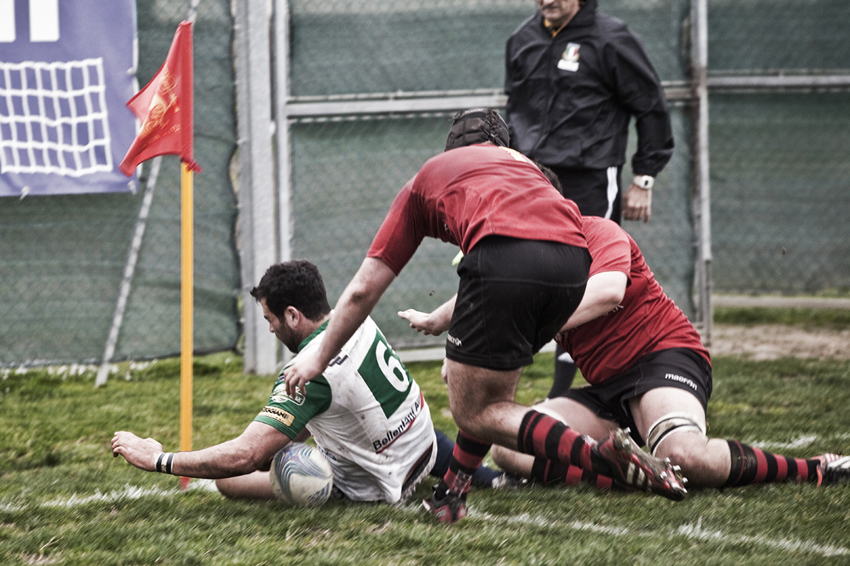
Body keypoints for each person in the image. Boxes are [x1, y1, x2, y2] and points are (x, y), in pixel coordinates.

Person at [282, 108, 687, 524]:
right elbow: (534, 243)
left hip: (507, 262)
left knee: (475, 409)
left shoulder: (431, 176)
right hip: (571, 263)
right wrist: (446, 322)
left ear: (452, 151)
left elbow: (363, 290)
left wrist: (318, 358)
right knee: (489, 398)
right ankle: (451, 494)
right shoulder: (527, 170)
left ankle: (598, 456)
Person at [475, 216, 850, 491]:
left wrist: (532, 323)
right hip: (608, 388)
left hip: (663, 358)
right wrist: (468, 350)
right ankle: (634, 474)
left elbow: (609, 293)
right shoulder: (524, 265)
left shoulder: (596, 231)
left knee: (684, 455)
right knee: (508, 446)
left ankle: (814, 468)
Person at [113, 261, 456, 504]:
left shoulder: (307, 370)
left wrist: (159, 459)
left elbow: (246, 455)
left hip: (381, 483)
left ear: (292, 315)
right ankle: (474, 471)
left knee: (229, 480)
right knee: (287, 440)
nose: (270, 329)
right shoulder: (355, 318)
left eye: (270, 319)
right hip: (423, 446)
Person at [505, 0, 675, 395]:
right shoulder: (521, 39)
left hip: (591, 178)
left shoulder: (612, 39)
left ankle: (565, 390)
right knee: (527, 271)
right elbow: (515, 110)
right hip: (533, 179)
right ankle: (505, 373)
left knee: (586, 279)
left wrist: (644, 178)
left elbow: (651, 107)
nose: (547, 0)